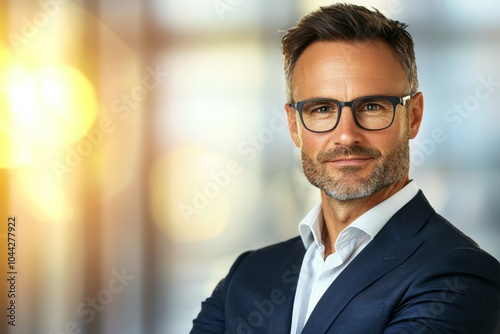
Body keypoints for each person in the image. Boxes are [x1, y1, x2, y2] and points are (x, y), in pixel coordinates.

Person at [190, 3, 500, 333]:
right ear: (294, 125)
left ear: (414, 116)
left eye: (371, 106)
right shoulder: (248, 274)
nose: (346, 136)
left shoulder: (461, 275)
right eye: (321, 109)